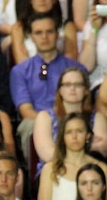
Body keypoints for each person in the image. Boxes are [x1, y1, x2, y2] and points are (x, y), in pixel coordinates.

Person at [9, 13, 85, 157]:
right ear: (31, 37)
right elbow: (26, 111)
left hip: (71, 118)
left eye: (49, 32)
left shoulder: (76, 69)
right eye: (38, 33)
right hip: (36, 120)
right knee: (29, 126)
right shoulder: (19, 71)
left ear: (57, 35)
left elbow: (84, 105)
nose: (44, 37)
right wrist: (49, 122)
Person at [37, 114, 107, 200]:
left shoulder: (101, 168)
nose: (74, 136)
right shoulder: (50, 168)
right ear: (63, 137)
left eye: (79, 131)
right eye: (69, 132)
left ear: (87, 135)